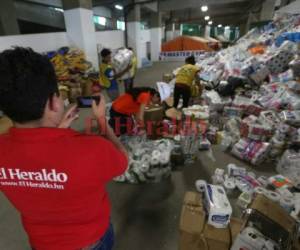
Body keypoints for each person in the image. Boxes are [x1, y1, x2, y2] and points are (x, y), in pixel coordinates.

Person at [0, 47, 128, 250]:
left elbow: (37, 157)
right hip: (90, 241)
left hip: (41, 243)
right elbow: (122, 160)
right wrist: (102, 120)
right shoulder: (92, 149)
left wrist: (56, 131)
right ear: (53, 103)